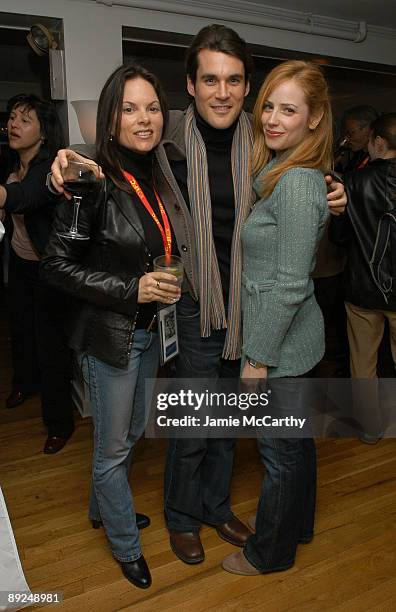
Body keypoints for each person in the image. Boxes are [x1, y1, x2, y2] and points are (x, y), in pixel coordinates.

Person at [49, 24, 347, 565]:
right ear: (190, 85)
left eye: (234, 80)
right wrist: (61, 164)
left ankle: (214, 505)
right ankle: (182, 515)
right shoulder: (167, 136)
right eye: (210, 79)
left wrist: (334, 186)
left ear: (248, 87)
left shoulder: (263, 138)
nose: (222, 92)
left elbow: (305, 168)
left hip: (250, 311)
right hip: (192, 305)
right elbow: (108, 144)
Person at [41, 64, 185, 588]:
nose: (143, 119)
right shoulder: (91, 179)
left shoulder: (158, 171)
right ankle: (125, 544)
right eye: (129, 109)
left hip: (148, 333)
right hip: (111, 335)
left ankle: (104, 509)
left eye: (151, 108)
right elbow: (56, 266)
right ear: (109, 117)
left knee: (121, 434)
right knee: (115, 446)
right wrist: (133, 289)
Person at [222, 60, 333, 575]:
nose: (272, 117)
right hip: (295, 340)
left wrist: (257, 359)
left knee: (279, 454)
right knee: (297, 445)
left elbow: (290, 284)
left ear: (314, 119)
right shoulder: (281, 171)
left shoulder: (298, 183)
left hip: (281, 347)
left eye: (289, 109)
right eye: (268, 105)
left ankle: (271, 552)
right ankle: (300, 527)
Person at [0, 94, 75, 454]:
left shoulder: (51, 168)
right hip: (19, 261)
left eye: (24, 119)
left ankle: (59, 423)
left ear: (43, 132)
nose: (14, 124)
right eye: (12, 118)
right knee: (19, 328)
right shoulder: (10, 162)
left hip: (48, 269)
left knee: (51, 346)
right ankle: (23, 382)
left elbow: (25, 198)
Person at [330, 113, 396, 443]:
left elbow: (339, 237)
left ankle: (370, 430)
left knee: (363, 366)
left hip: (362, 290)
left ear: (379, 143)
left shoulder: (353, 182)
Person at [335, 105, 379, 173]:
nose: (346, 138)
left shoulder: (378, 161)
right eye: (346, 133)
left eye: (351, 133)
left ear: (369, 129)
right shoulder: (358, 156)